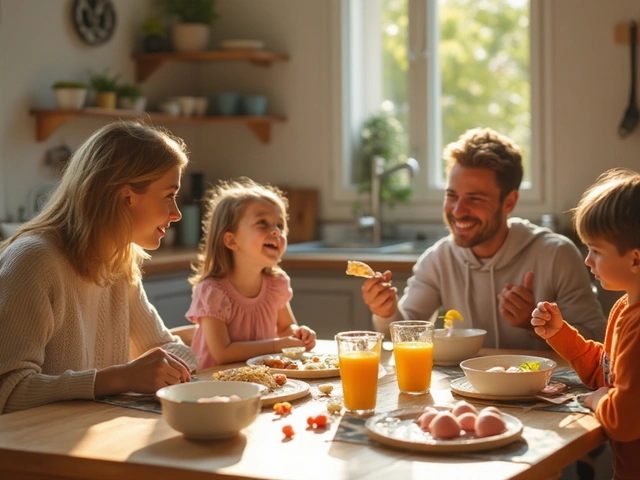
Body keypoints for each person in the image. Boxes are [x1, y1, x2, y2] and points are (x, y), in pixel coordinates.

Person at [0, 121, 198, 415]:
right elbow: (8, 391)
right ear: (127, 196)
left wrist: (162, 369)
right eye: (169, 195)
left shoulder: (119, 260)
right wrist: (118, 378)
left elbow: (172, 352)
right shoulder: (34, 261)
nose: (177, 213)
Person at [362, 127, 606, 349]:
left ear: (509, 202)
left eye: (475, 198)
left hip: (544, 393)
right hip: (466, 394)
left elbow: (598, 341)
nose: (458, 211)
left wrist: (536, 325)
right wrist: (387, 311)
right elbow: (405, 334)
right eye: (452, 195)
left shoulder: (556, 254)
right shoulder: (438, 259)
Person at [531, 168, 640, 480]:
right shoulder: (624, 306)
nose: (587, 260)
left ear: (635, 259)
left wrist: (597, 399)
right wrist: (562, 335)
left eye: (595, 250)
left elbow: (623, 420)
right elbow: (607, 374)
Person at [185, 178, 316, 368]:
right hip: (214, 387)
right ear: (231, 241)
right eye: (262, 223)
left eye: (280, 225)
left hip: (258, 381)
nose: (276, 232)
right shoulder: (212, 292)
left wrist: (299, 333)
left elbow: (285, 328)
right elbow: (222, 353)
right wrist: (276, 345)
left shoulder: (276, 284)